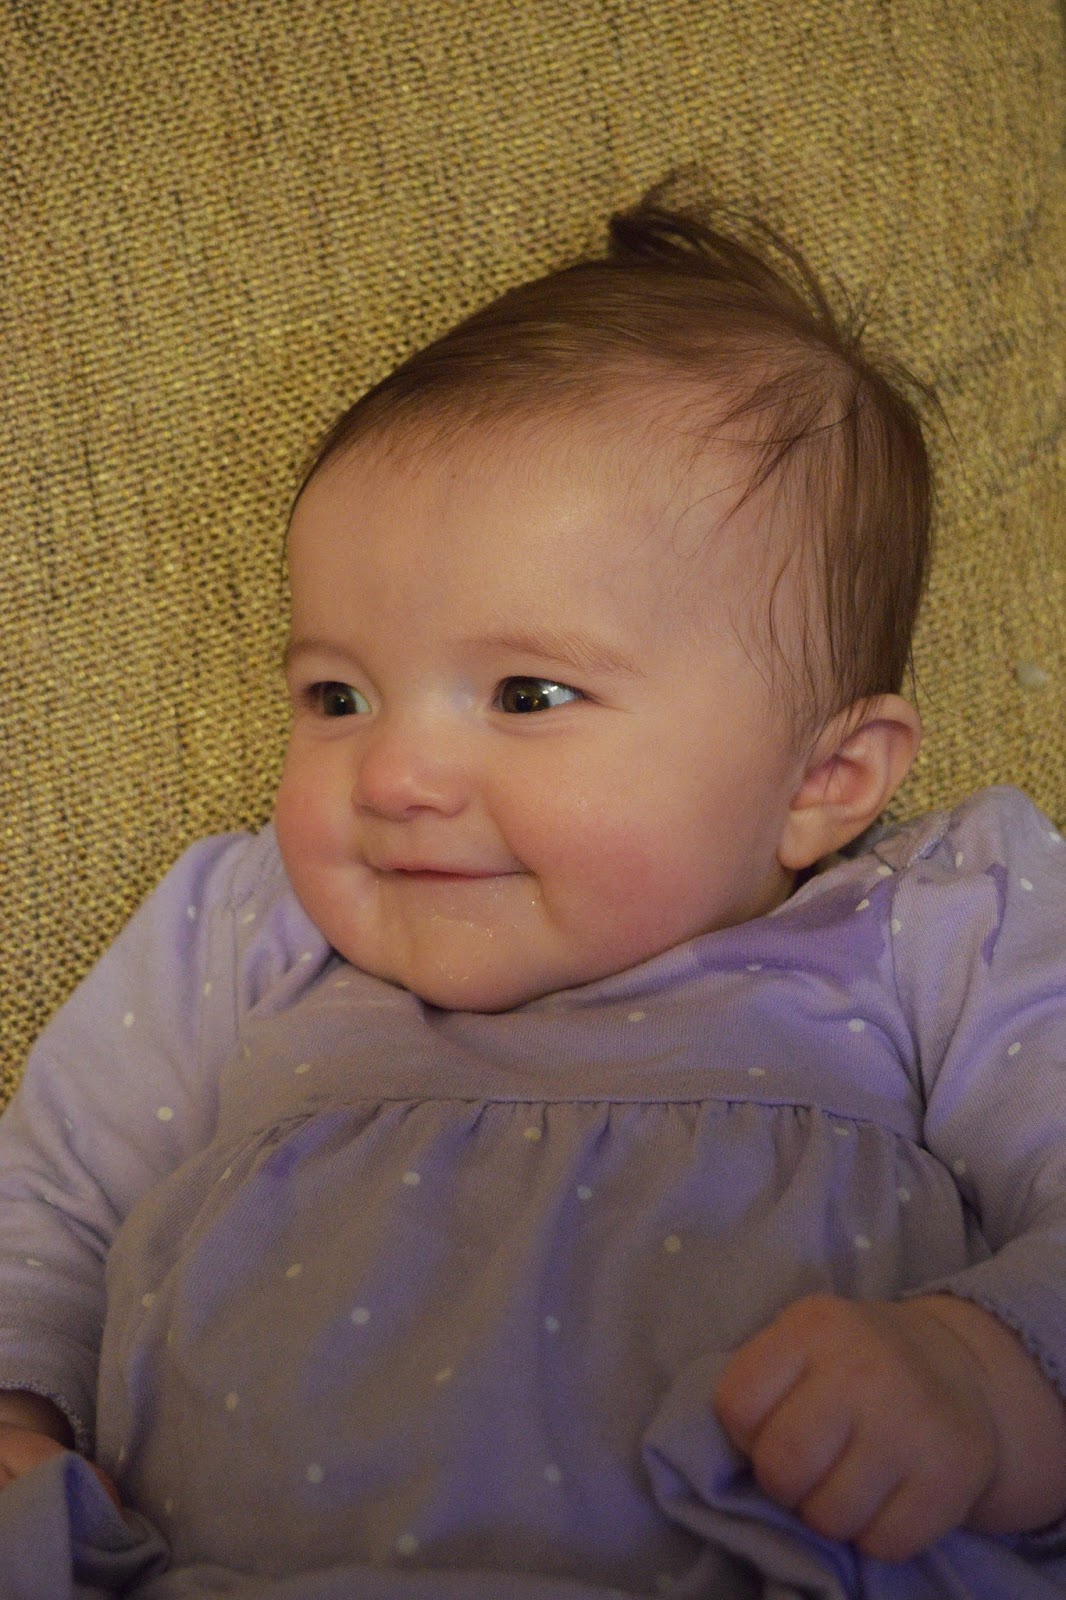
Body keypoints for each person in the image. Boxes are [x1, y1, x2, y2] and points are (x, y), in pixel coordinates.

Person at [1, 190, 1065, 1599]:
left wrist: (982, 1375)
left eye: (527, 694)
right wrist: (17, 1413)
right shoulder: (247, 927)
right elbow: (51, 1203)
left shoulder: (935, 923)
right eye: (337, 696)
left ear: (825, 777)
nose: (393, 775)